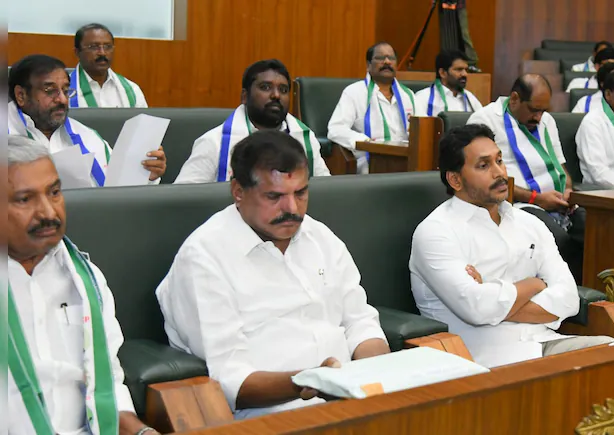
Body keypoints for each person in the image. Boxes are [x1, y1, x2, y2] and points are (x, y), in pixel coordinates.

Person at [157, 130, 390, 419]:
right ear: (238, 191)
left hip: (352, 398)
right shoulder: (203, 258)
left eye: (300, 193)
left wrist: (378, 377)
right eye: (274, 196)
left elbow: (360, 323)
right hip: (270, 414)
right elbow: (229, 379)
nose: (291, 209)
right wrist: (309, 382)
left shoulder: (320, 236)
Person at [408, 124, 614, 368]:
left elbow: (569, 299)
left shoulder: (529, 222)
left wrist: (493, 295)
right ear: (455, 179)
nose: (499, 173)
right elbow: (477, 310)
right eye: (483, 165)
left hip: (546, 342)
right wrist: (535, 284)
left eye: (499, 160)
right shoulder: (436, 232)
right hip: (484, 361)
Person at [7, 136, 160, 435]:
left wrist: (142, 433)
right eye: (25, 199)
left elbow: (107, 387)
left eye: (54, 192)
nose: (49, 213)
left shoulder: (86, 279)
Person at [467, 74, 584, 280]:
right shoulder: (484, 120)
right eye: (533, 110)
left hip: (558, 202)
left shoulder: (547, 121)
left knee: (595, 229)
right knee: (558, 240)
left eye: (543, 111)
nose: (538, 117)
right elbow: (484, 180)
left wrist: (567, 189)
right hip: (516, 204)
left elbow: (561, 166)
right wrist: (537, 199)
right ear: (514, 99)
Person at [8, 54, 166, 187]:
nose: (62, 99)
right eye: (50, 91)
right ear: (21, 95)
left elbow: (118, 191)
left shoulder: (88, 137)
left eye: (65, 90)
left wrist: (147, 175)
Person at [175, 59, 330, 183]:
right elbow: (184, 198)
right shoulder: (214, 143)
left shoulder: (305, 139)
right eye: (265, 87)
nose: (276, 95)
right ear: (244, 96)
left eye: (283, 90)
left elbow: (325, 191)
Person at [328, 42, 416, 174]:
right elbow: (335, 129)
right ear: (368, 65)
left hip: (406, 161)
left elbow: (423, 130)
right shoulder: (354, 92)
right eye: (380, 58)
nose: (387, 62)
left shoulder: (409, 95)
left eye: (391, 58)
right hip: (370, 162)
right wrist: (366, 142)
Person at [70, 23, 147, 108]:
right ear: (77, 52)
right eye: (94, 47)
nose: (102, 53)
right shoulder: (65, 91)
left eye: (107, 47)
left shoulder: (132, 90)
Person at [415, 50, 483, 117]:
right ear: (442, 73)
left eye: (466, 70)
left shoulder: (470, 98)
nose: (465, 74)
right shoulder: (423, 97)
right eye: (459, 69)